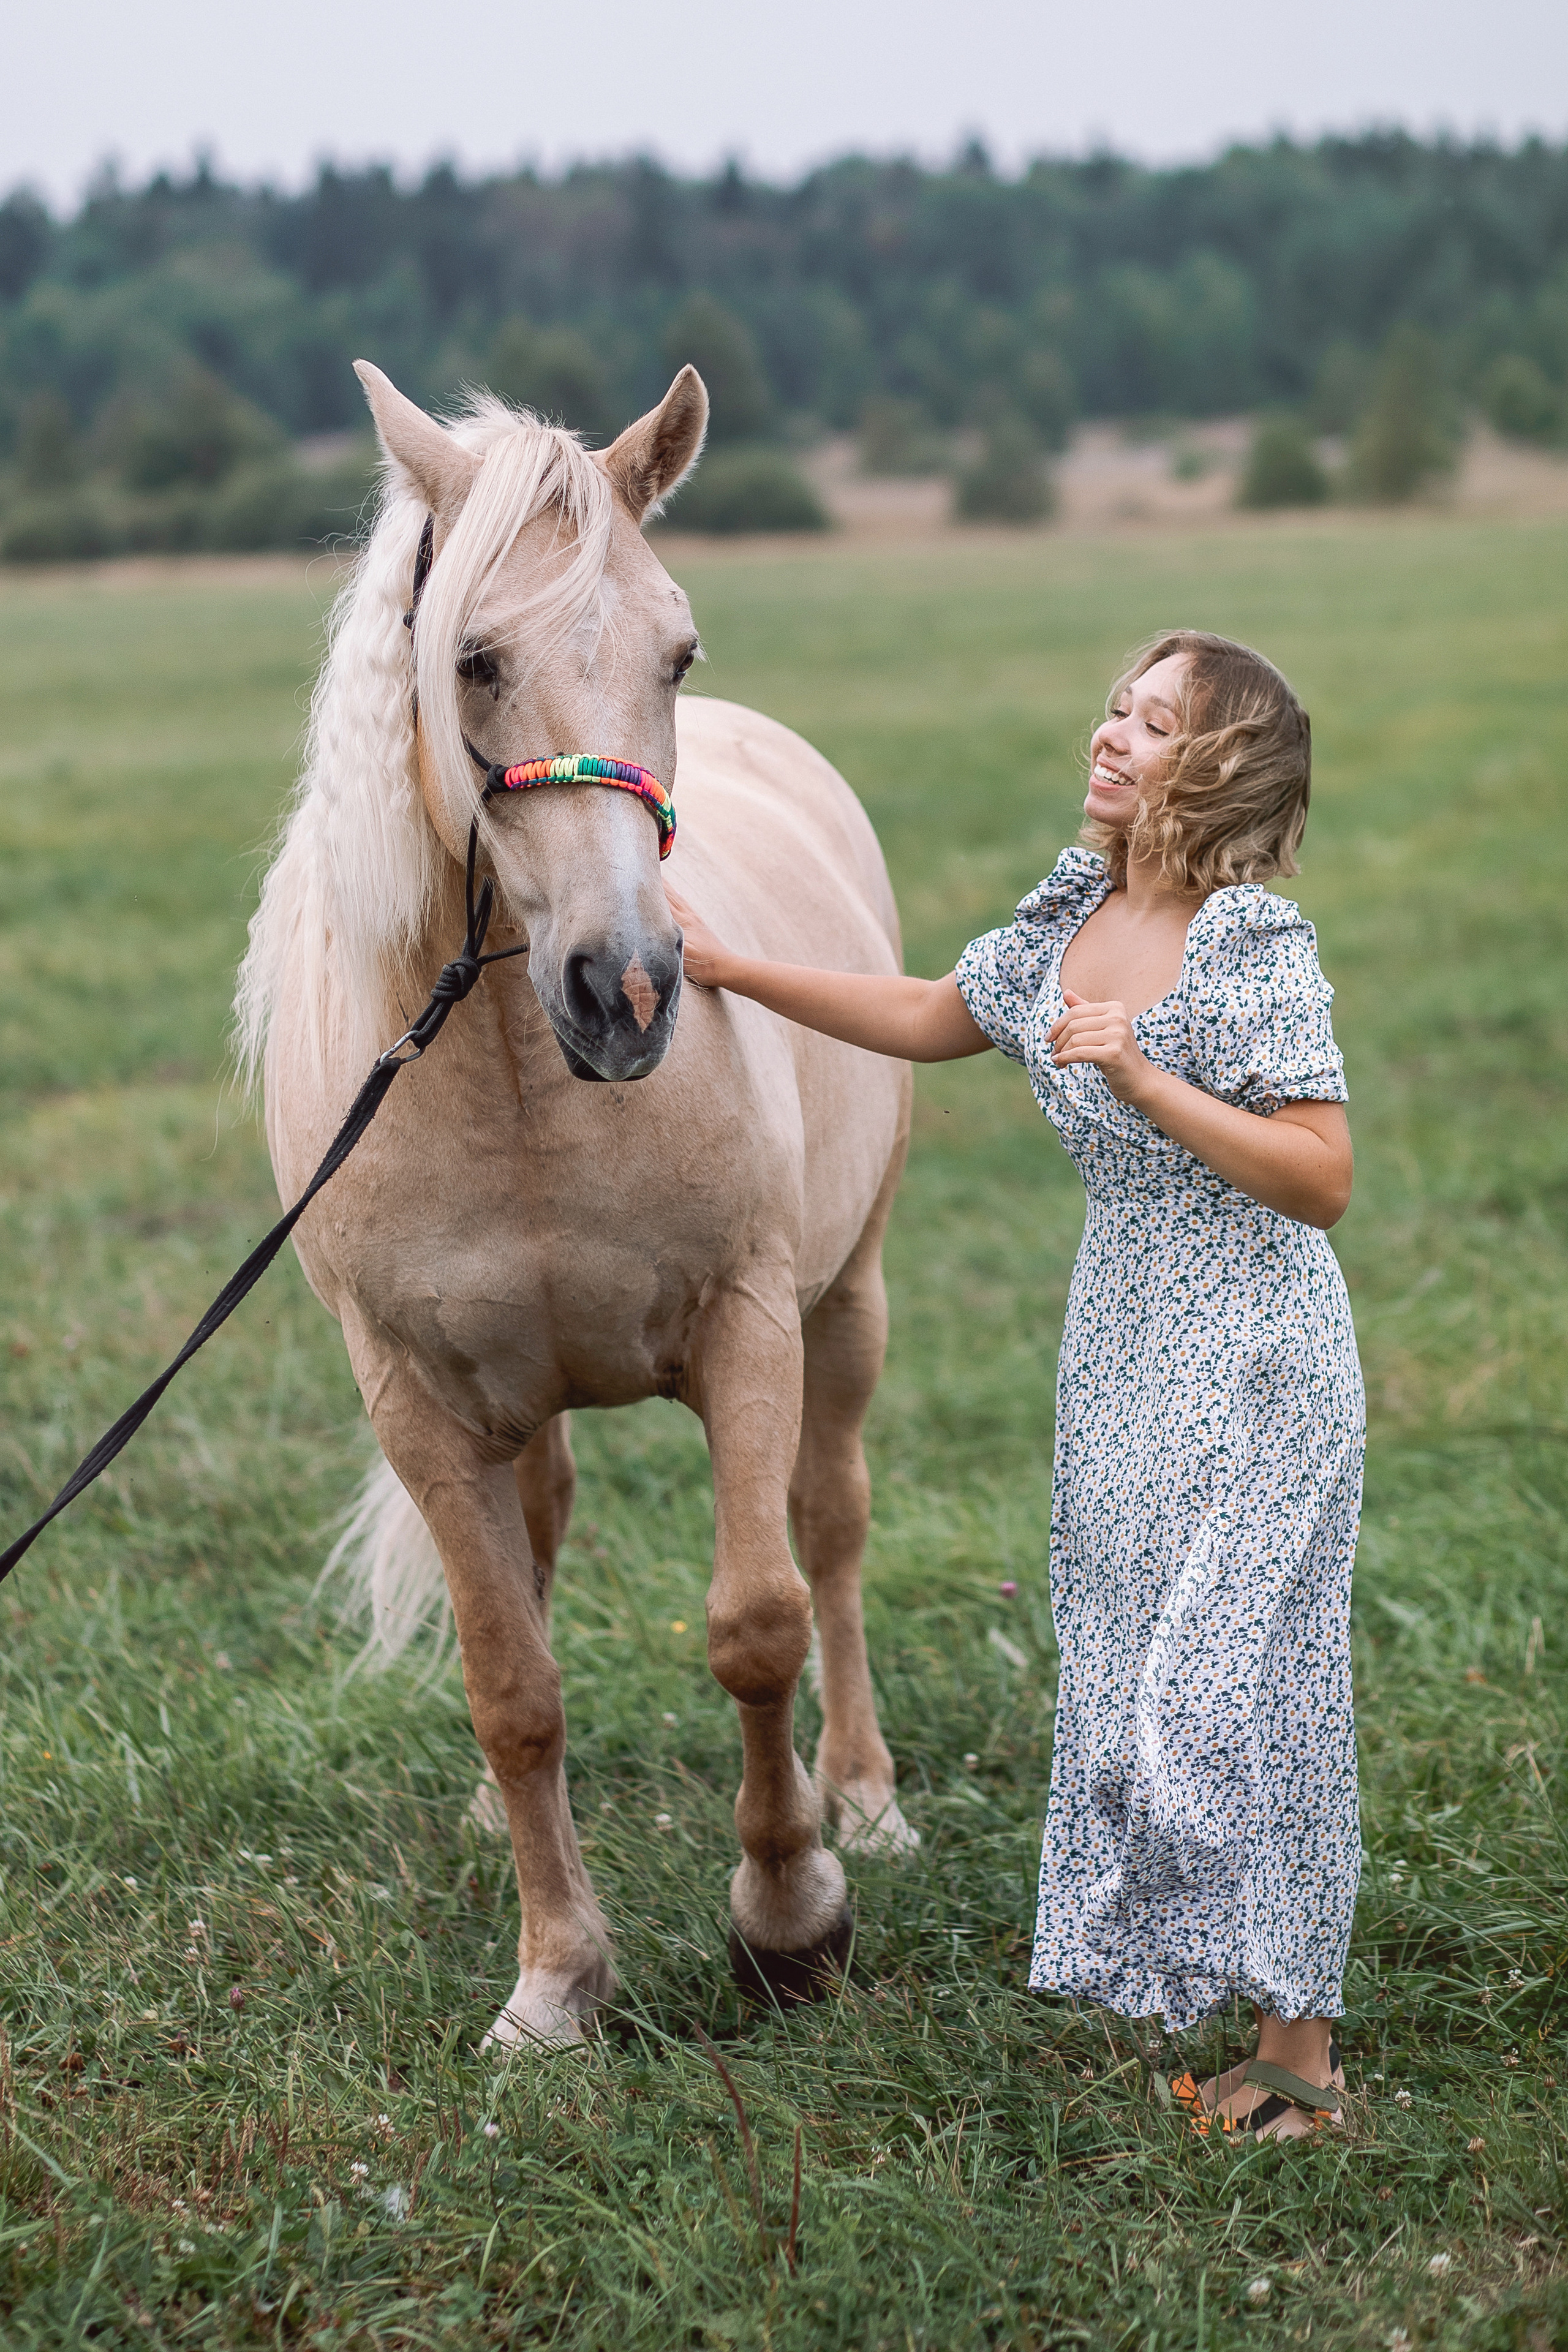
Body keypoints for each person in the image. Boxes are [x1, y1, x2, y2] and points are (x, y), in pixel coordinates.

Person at [666, 630, 1363, 2143]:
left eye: (1155, 721)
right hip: (1118, 1346)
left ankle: (1298, 2063)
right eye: (1114, 706)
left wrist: (1146, 1079)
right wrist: (728, 967)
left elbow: (1320, 1181)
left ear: (1221, 765)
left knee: (1247, 1694)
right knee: (1129, 1681)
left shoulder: (1250, 946)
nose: (1109, 735)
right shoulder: (1069, 918)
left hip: (1257, 1348)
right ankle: (1212, 2004)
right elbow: (930, 1015)